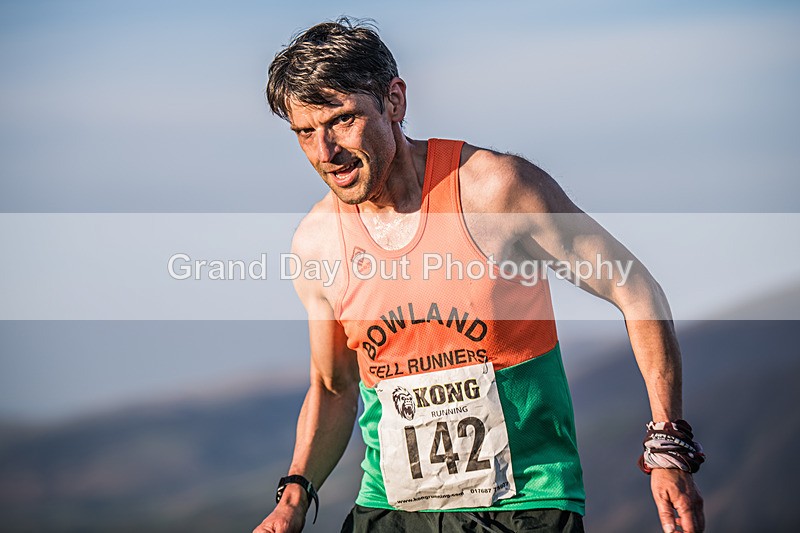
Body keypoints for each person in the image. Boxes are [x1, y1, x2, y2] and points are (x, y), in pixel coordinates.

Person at [254, 17, 704, 533]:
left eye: (341, 121)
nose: (324, 153)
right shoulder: (317, 243)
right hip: (393, 509)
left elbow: (637, 290)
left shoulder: (495, 192)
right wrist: (292, 500)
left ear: (394, 101)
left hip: (522, 507)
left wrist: (668, 445)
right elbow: (334, 388)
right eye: (305, 132)